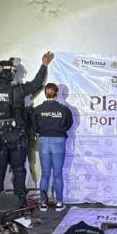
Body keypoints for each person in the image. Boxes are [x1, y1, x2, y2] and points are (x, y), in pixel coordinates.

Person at [0, 52, 54, 205]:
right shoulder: (17, 90)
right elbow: (36, 83)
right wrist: (44, 65)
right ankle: (19, 205)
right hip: (16, 135)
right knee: (19, 170)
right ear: (10, 73)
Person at [30, 83, 73, 212]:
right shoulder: (64, 109)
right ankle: (59, 203)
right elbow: (69, 124)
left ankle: (43, 203)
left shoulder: (37, 109)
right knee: (58, 174)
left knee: (45, 174)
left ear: (45, 93)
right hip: (58, 140)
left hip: (43, 140)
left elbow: (34, 126)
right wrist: (58, 131)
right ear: (57, 93)